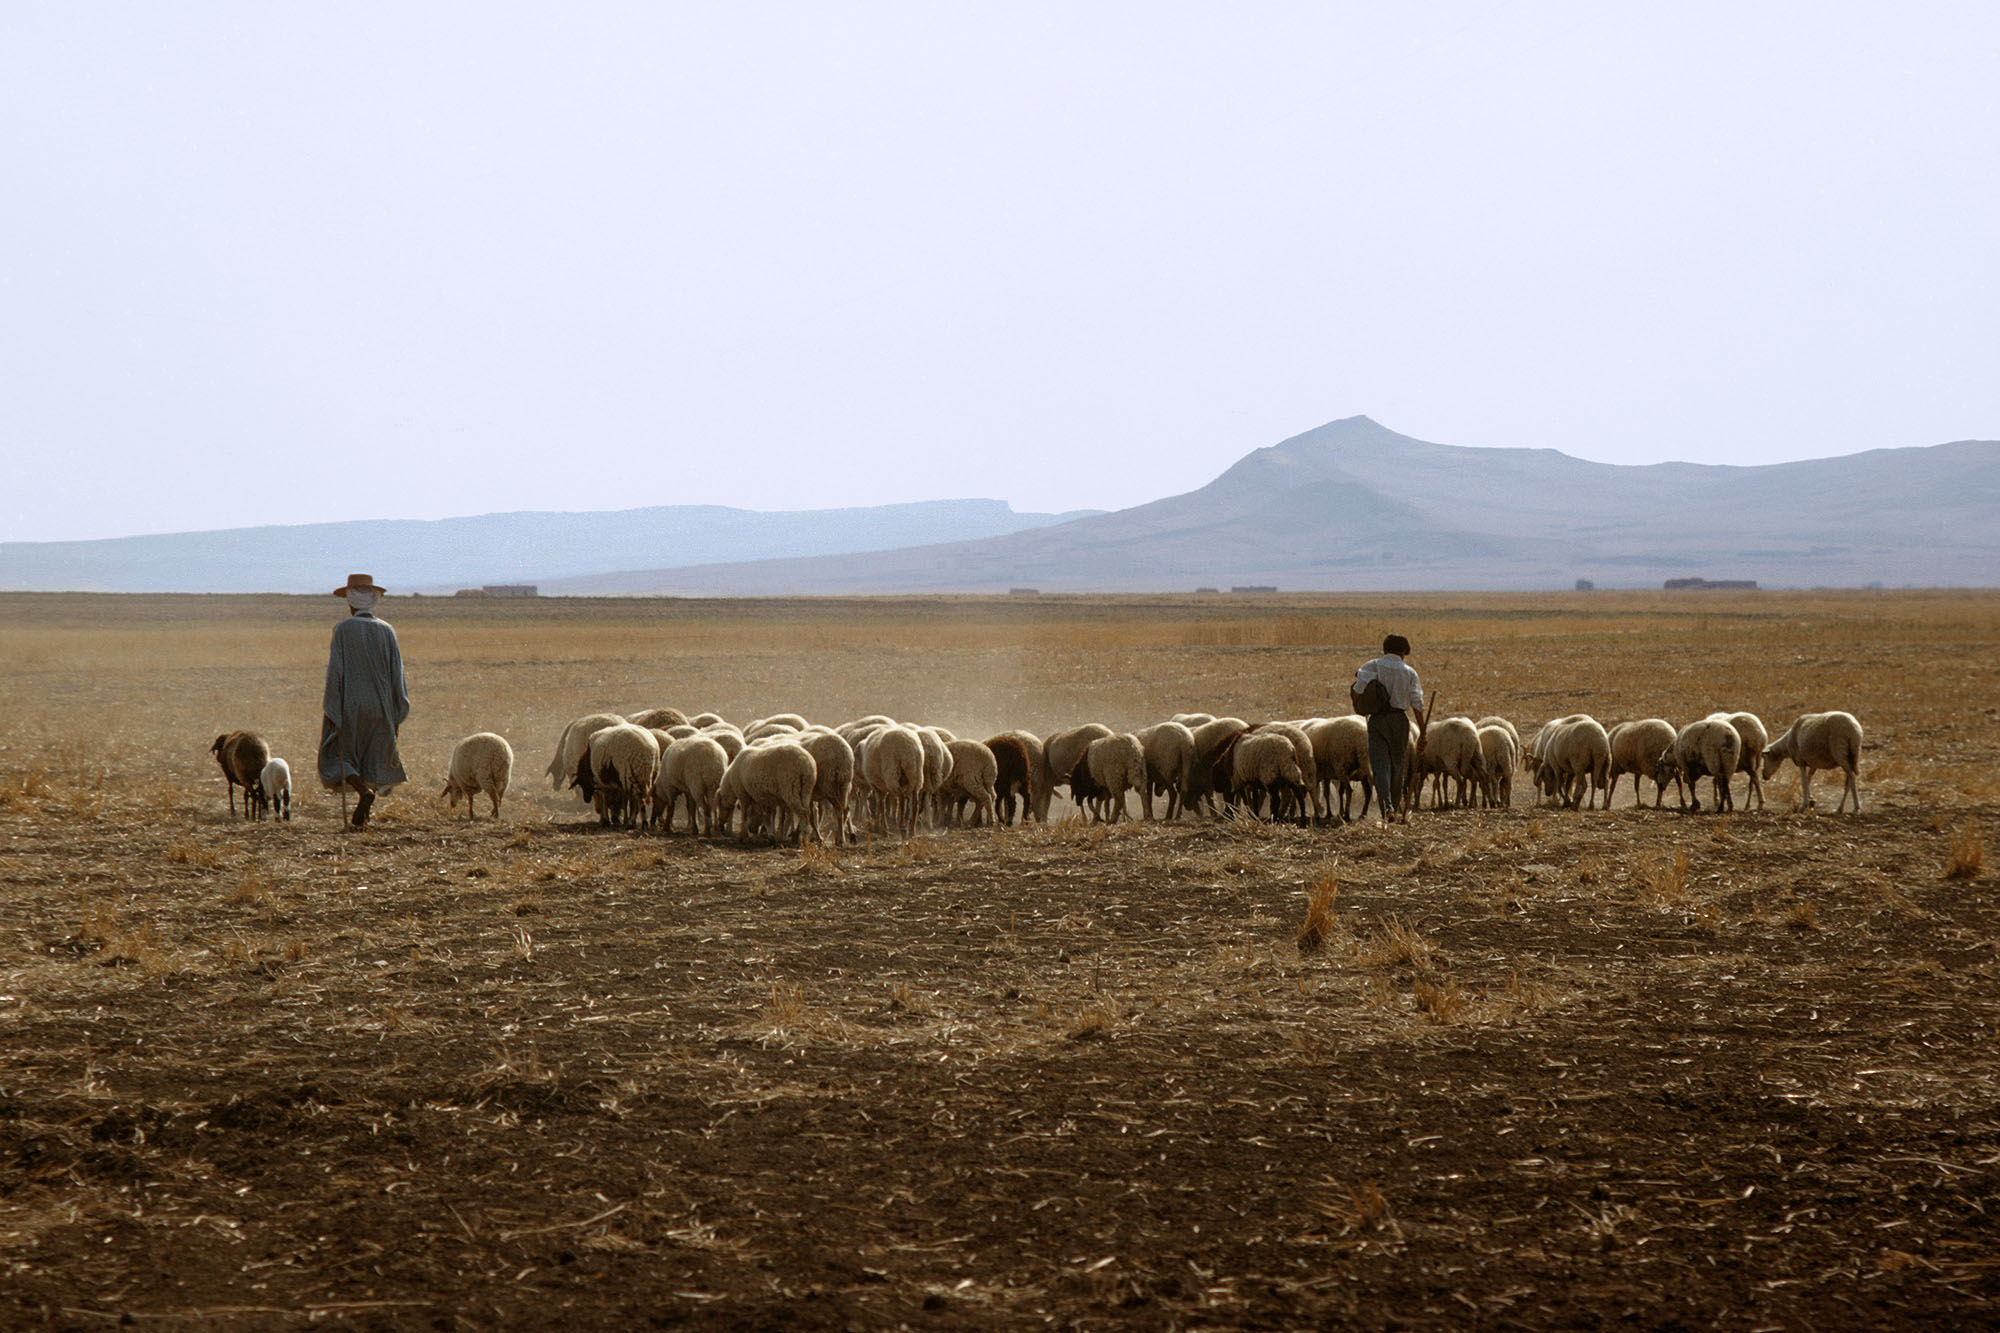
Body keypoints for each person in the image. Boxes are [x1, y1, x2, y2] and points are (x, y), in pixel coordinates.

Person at [318, 573, 410, 829]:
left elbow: (336, 671)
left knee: (343, 755)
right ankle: (366, 815)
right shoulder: (387, 631)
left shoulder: (343, 630)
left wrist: (333, 708)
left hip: (351, 707)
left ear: (350, 601)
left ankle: (363, 793)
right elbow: (397, 674)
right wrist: (397, 711)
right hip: (382, 707)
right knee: (373, 754)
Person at [1353, 633, 1423, 824]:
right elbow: (1417, 703)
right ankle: (1396, 805)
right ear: (1403, 652)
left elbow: (1358, 689)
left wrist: (1359, 706)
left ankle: (1387, 808)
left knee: (1379, 764)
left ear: (1384, 650)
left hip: (1377, 720)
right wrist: (1423, 731)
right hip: (1400, 720)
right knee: (1398, 764)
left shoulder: (1372, 666)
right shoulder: (1409, 672)